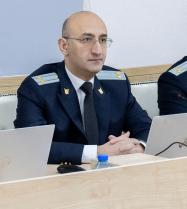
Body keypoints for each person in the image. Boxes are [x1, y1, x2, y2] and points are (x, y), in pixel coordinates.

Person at [14, 11, 151, 165]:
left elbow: (147, 128)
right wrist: (98, 153)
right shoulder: (36, 88)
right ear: (64, 46)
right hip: (62, 176)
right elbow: (32, 147)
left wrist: (139, 147)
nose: (98, 50)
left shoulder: (117, 83)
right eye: (87, 39)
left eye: (102, 40)